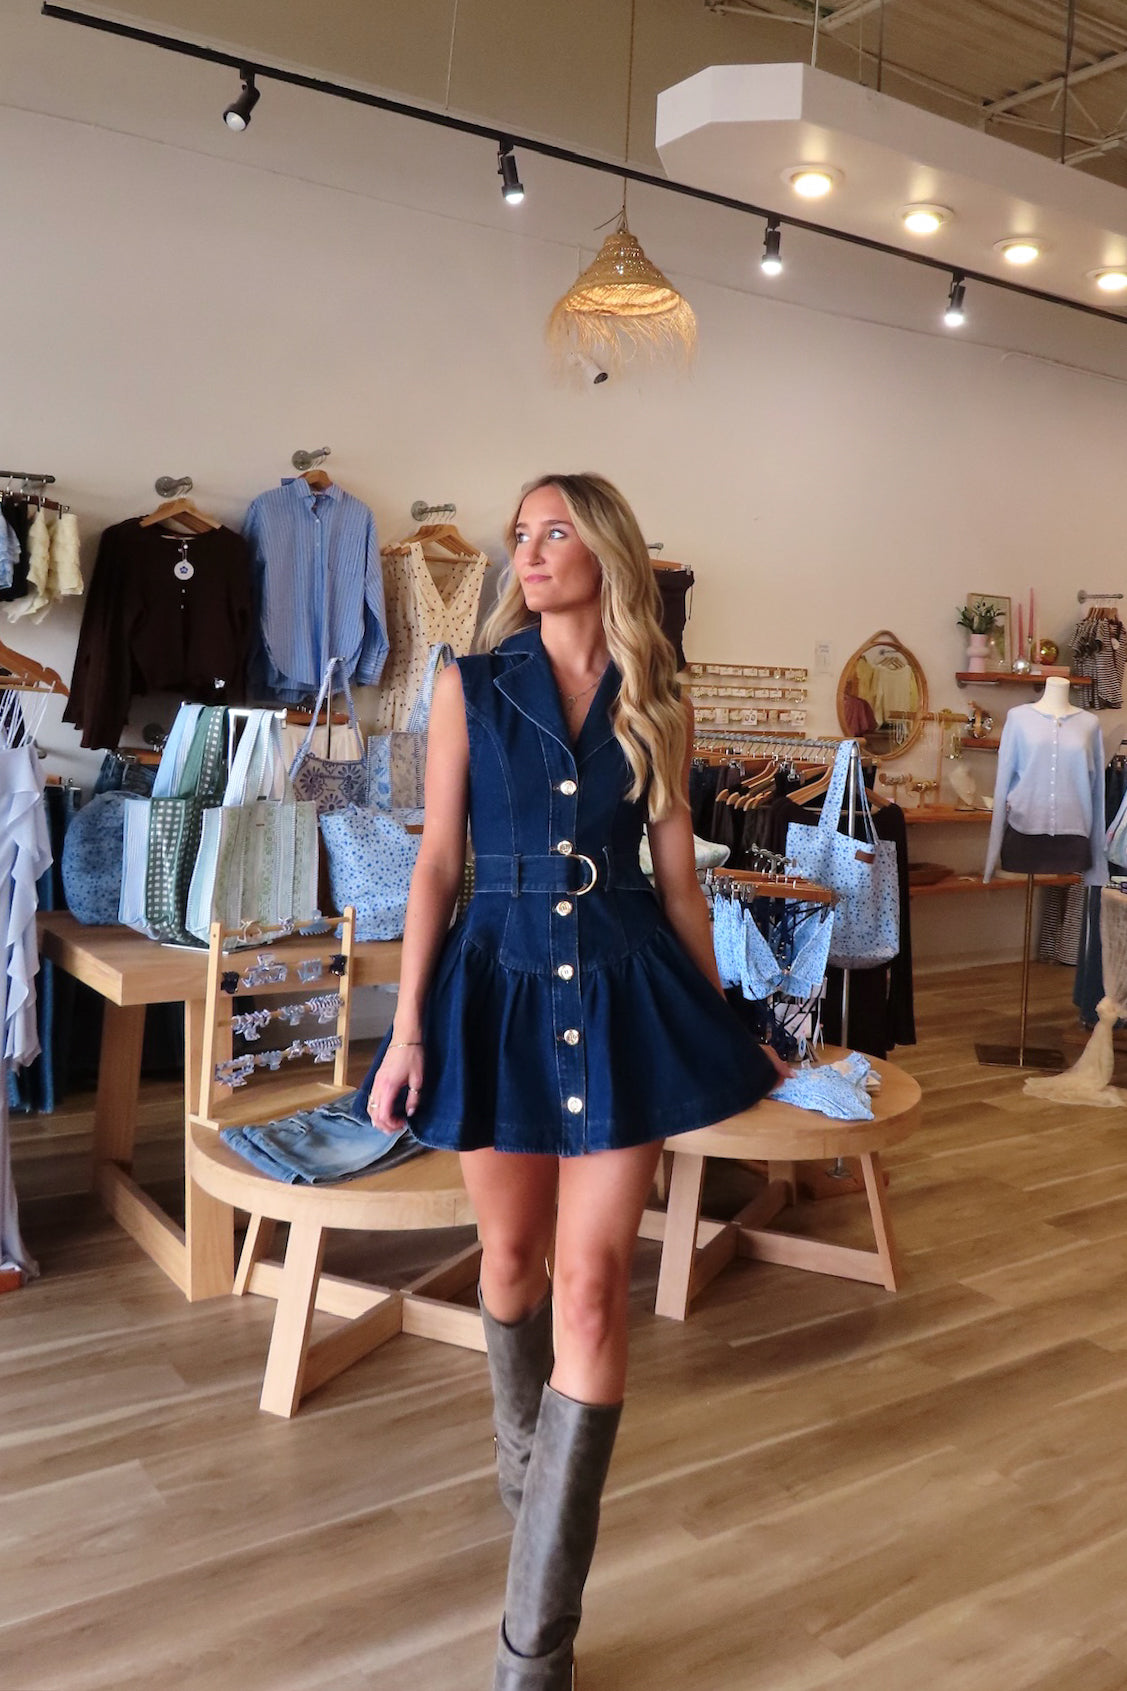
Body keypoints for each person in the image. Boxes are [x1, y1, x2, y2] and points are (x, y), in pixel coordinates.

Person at [366, 473, 785, 1690]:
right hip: (491, 992)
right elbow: (435, 863)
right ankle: (527, 1480)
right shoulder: (468, 682)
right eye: (521, 535)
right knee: (508, 1263)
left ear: (606, 550)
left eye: (555, 531)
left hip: (620, 991)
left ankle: (533, 1648)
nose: (530, 551)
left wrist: (717, 1022)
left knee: (593, 1290)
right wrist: (405, 1031)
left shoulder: (659, 699)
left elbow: (679, 881)